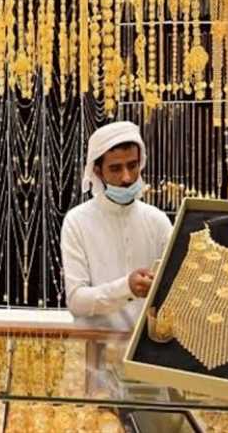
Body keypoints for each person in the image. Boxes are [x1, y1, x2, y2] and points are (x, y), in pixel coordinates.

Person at [61, 121, 172, 331]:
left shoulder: (157, 220)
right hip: (96, 348)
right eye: (115, 169)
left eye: (132, 165)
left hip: (147, 347)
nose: (127, 177)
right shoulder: (77, 221)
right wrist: (126, 288)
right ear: (97, 171)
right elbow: (76, 301)